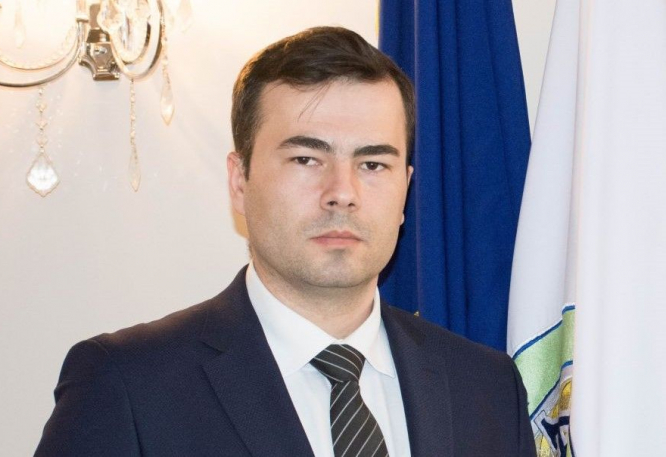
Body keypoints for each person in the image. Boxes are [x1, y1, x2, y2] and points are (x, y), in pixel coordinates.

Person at [35, 26, 535, 457]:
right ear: (240, 181)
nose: (342, 192)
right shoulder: (128, 384)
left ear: (405, 188)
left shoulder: (487, 387)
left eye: (372, 163)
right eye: (306, 159)